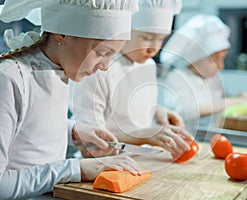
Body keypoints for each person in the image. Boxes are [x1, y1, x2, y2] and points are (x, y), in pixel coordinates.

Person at [0, 0, 142, 199]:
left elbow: (26, 128)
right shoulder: (10, 80)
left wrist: (73, 131)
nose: (105, 66)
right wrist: (75, 169)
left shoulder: (60, 70)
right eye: (101, 52)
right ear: (62, 34)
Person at [70, 0, 194, 158]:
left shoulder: (148, 65)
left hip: (141, 158)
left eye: (161, 39)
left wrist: (156, 110)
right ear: (124, 30)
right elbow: (93, 143)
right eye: (147, 37)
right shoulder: (97, 68)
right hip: (103, 164)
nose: (154, 48)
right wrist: (145, 136)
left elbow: (125, 103)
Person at [159, 14, 247, 125]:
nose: (221, 66)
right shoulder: (177, 77)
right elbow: (188, 110)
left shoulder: (212, 78)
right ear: (195, 58)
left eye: (222, 59)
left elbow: (222, 99)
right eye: (215, 60)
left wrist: (240, 96)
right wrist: (235, 101)